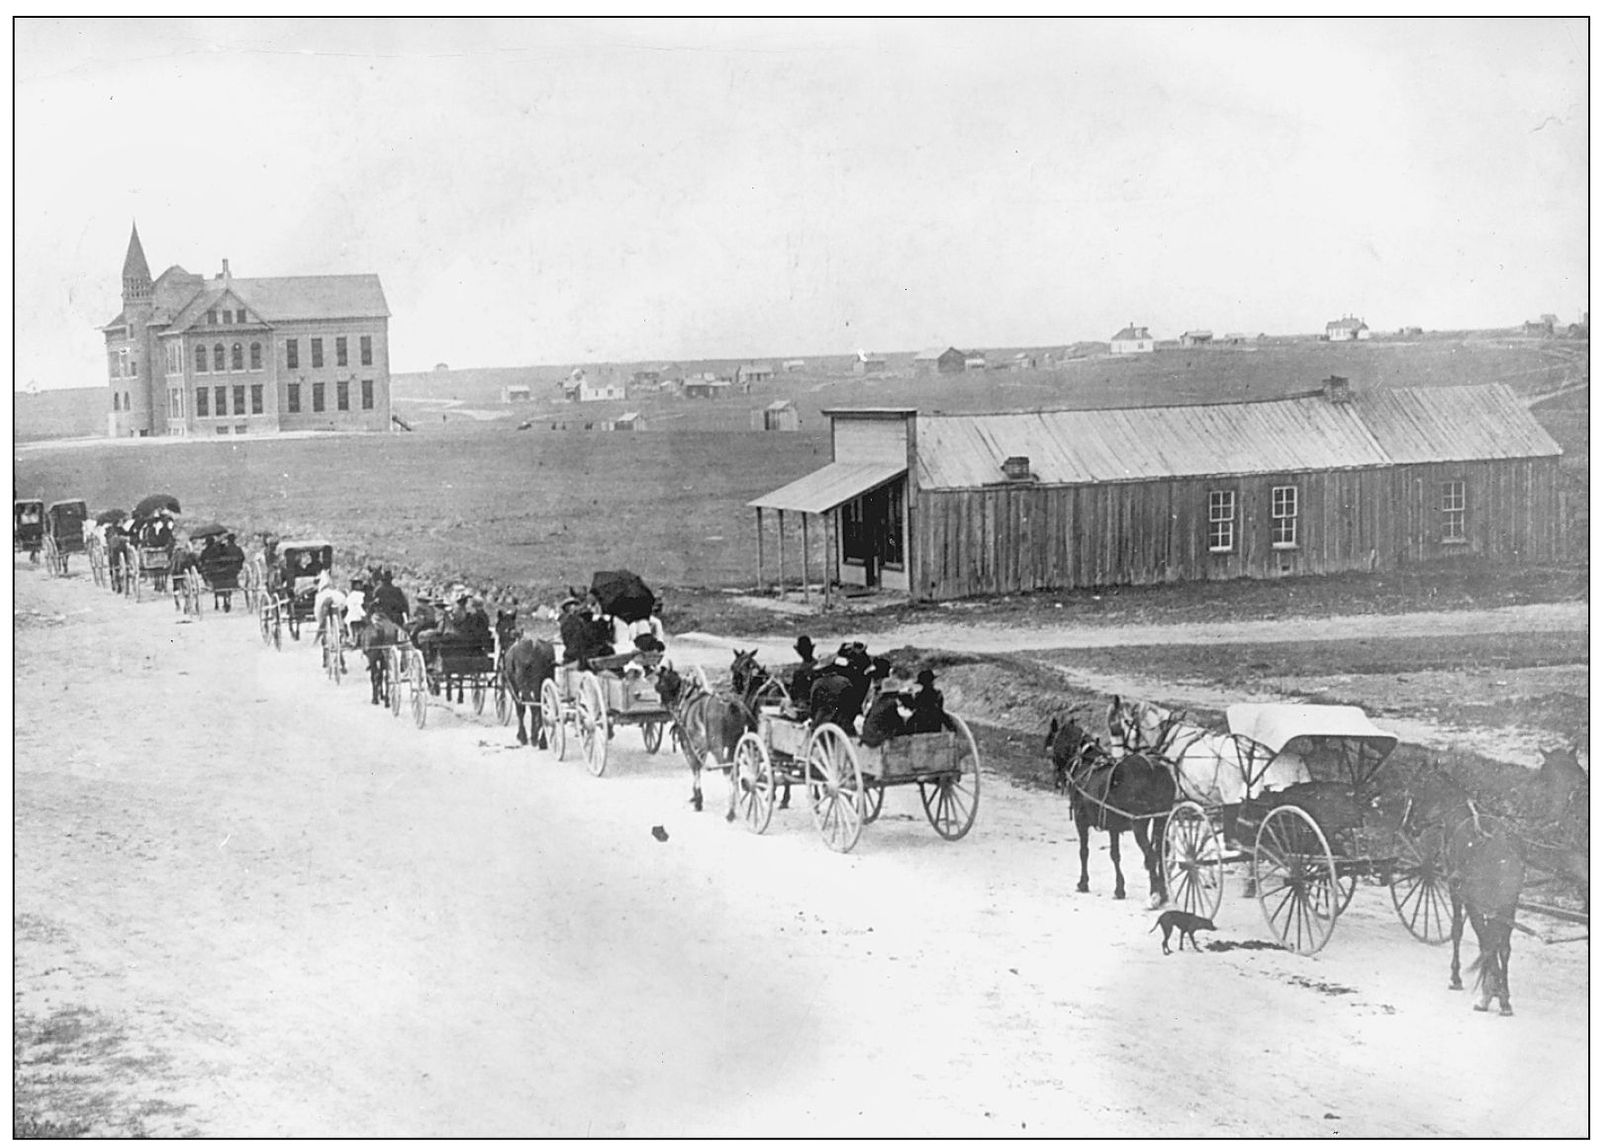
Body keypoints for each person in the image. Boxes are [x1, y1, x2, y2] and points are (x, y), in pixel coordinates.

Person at [559, 595, 613, 666]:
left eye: (575, 605)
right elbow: (588, 638)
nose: (574, 608)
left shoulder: (564, 622)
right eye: (572, 606)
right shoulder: (576, 621)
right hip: (582, 653)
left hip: (572, 653)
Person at [860, 675, 912, 747]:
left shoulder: (876, 702)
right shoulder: (891, 703)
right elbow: (897, 722)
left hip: (867, 735)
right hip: (876, 737)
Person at [907, 668, 949, 734]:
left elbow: (916, 710)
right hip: (935, 722)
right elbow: (940, 710)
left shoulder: (918, 696)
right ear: (932, 681)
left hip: (922, 724)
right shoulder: (937, 694)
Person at [169, 539, 200, 613]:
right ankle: (187, 604)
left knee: (178, 587)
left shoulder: (176, 555)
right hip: (186, 572)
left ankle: (179, 603)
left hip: (178, 573)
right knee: (188, 587)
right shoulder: (189, 555)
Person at [787, 635, 817, 709]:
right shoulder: (819, 665)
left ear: (799, 652)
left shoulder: (799, 672)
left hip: (805, 704)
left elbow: (794, 694)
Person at [344, 576, 369, 642]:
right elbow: (358, 606)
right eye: (358, 584)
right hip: (357, 615)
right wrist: (364, 614)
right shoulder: (360, 594)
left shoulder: (351, 595)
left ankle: (351, 637)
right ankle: (352, 637)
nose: (360, 586)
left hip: (352, 615)